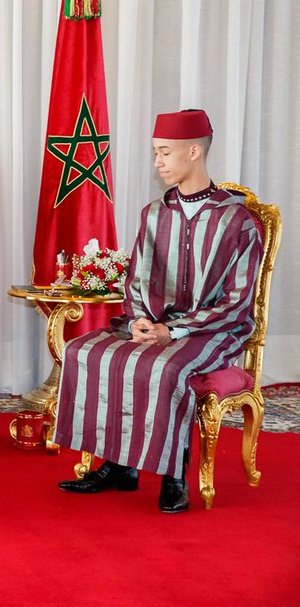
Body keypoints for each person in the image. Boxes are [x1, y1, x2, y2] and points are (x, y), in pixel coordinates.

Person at [55, 109, 263, 513]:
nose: (158, 163)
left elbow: (236, 302)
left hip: (215, 329)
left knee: (166, 368)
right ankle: (118, 466)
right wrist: (139, 320)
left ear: (194, 151)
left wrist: (176, 331)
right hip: (158, 323)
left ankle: (174, 477)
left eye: (165, 153)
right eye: (155, 153)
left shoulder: (237, 221)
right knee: (85, 351)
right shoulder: (154, 213)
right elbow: (137, 280)